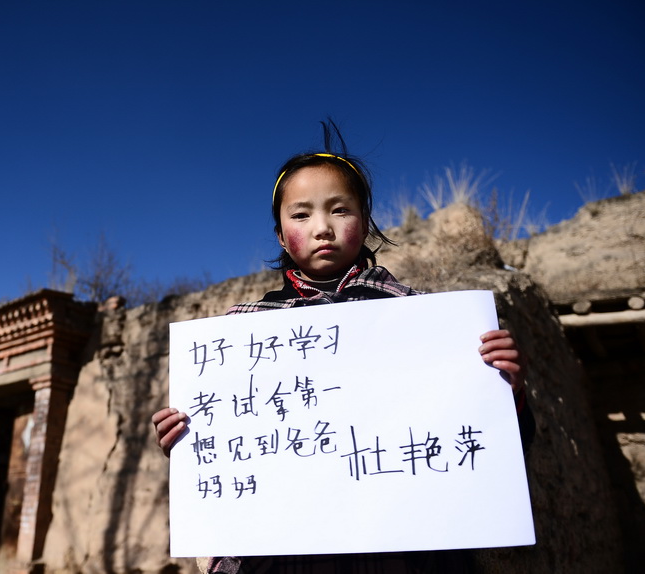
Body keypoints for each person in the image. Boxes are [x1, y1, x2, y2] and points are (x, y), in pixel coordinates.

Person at [152, 121, 534, 573]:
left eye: (339, 210)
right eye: (300, 215)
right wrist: (185, 439)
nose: (322, 228)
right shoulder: (241, 335)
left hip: (410, 554)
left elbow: (493, 450)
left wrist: (506, 393)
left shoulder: (422, 317)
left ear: (365, 221)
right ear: (279, 234)